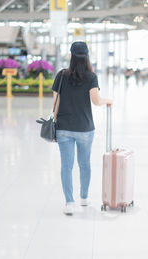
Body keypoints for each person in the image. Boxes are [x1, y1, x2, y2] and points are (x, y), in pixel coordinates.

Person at [52, 41, 113, 216]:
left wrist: (55, 125)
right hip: (85, 128)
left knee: (66, 165)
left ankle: (69, 202)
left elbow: (55, 104)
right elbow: (96, 101)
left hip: (64, 128)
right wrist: (108, 100)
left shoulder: (61, 75)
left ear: (71, 56)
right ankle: (84, 197)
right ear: (87, 56)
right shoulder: (91, 76)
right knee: (84, 164)